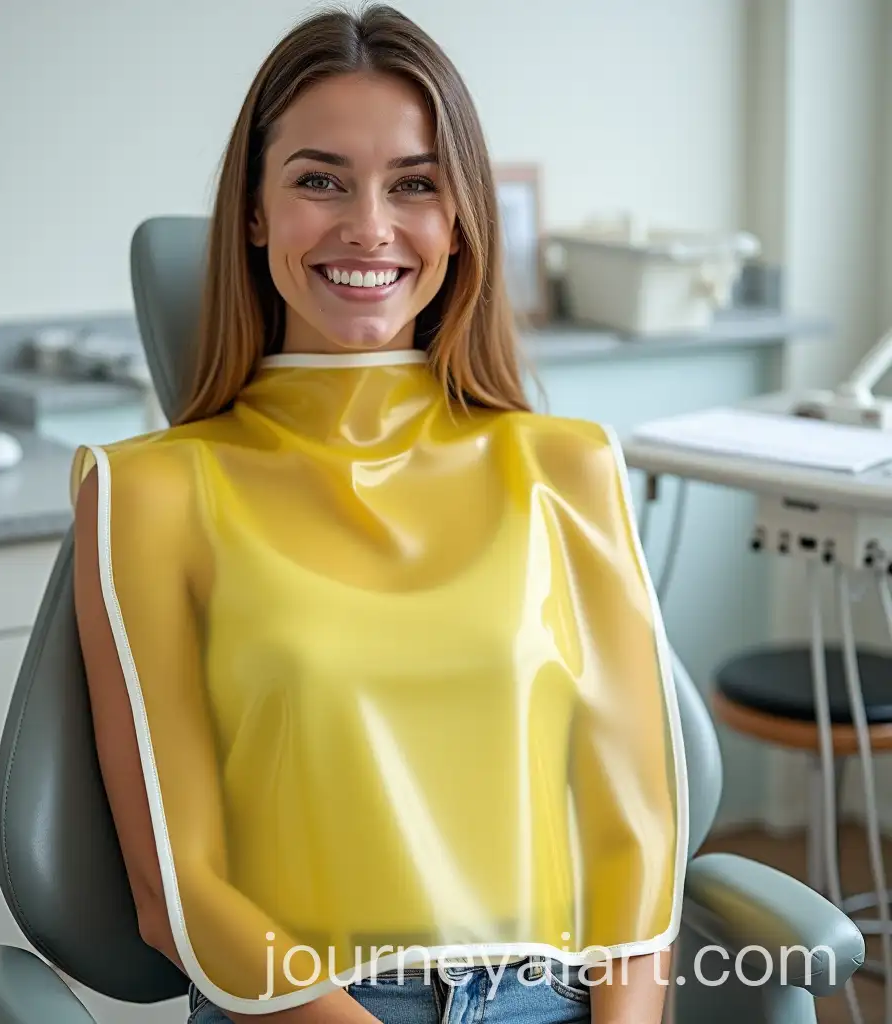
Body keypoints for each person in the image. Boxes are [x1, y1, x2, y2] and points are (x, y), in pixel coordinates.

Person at [72, 5, 687, 1024]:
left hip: (556, 1000)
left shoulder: (566, 467)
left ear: (459, 220)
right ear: (256, 212)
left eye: (414, 184)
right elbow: (176, 891)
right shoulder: (148, 492)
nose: (368, 225)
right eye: (320, 180)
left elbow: (637, 841)